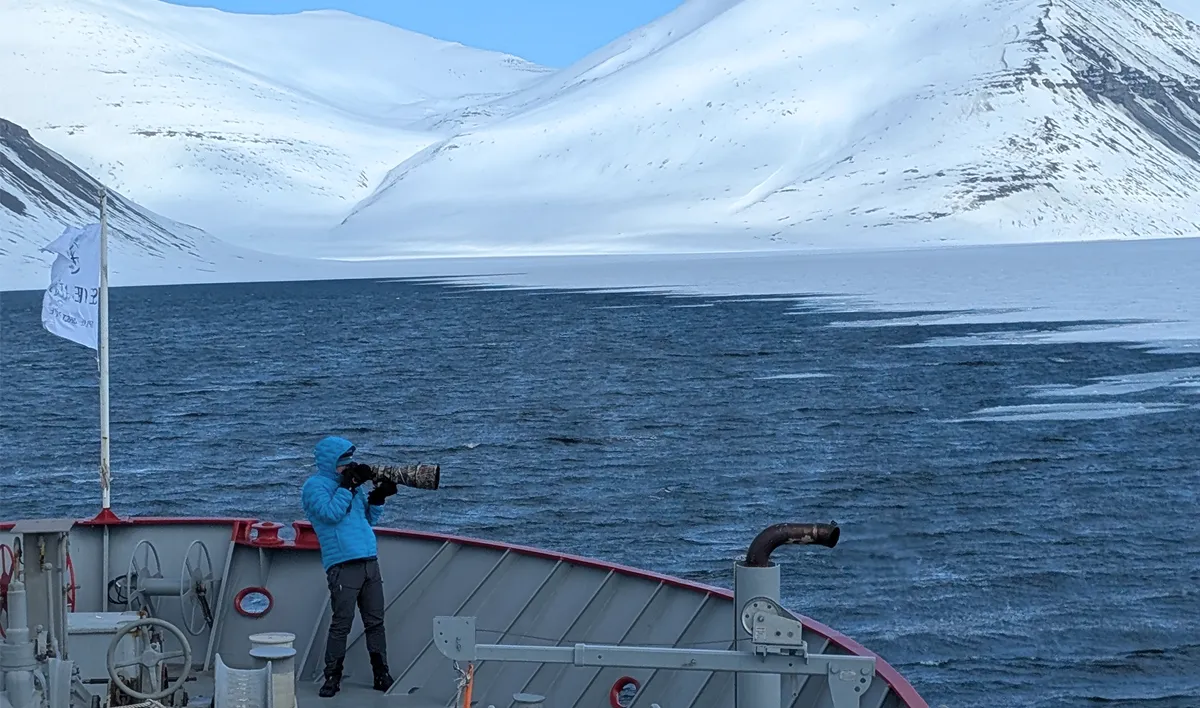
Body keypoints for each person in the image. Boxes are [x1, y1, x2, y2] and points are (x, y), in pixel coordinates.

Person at [301, 435, 400, 697]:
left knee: (375, 622)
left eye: (349, 462)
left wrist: (377, 497)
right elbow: (331, 515)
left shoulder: (350, 489)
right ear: (330, 463)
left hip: (369, 560)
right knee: (341, 623)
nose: (347, 467)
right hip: (342, 564)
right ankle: (331, 677)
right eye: (343, 463)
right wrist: (347, 486)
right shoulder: (314, 487)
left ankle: (381, 673)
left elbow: (367, 519)